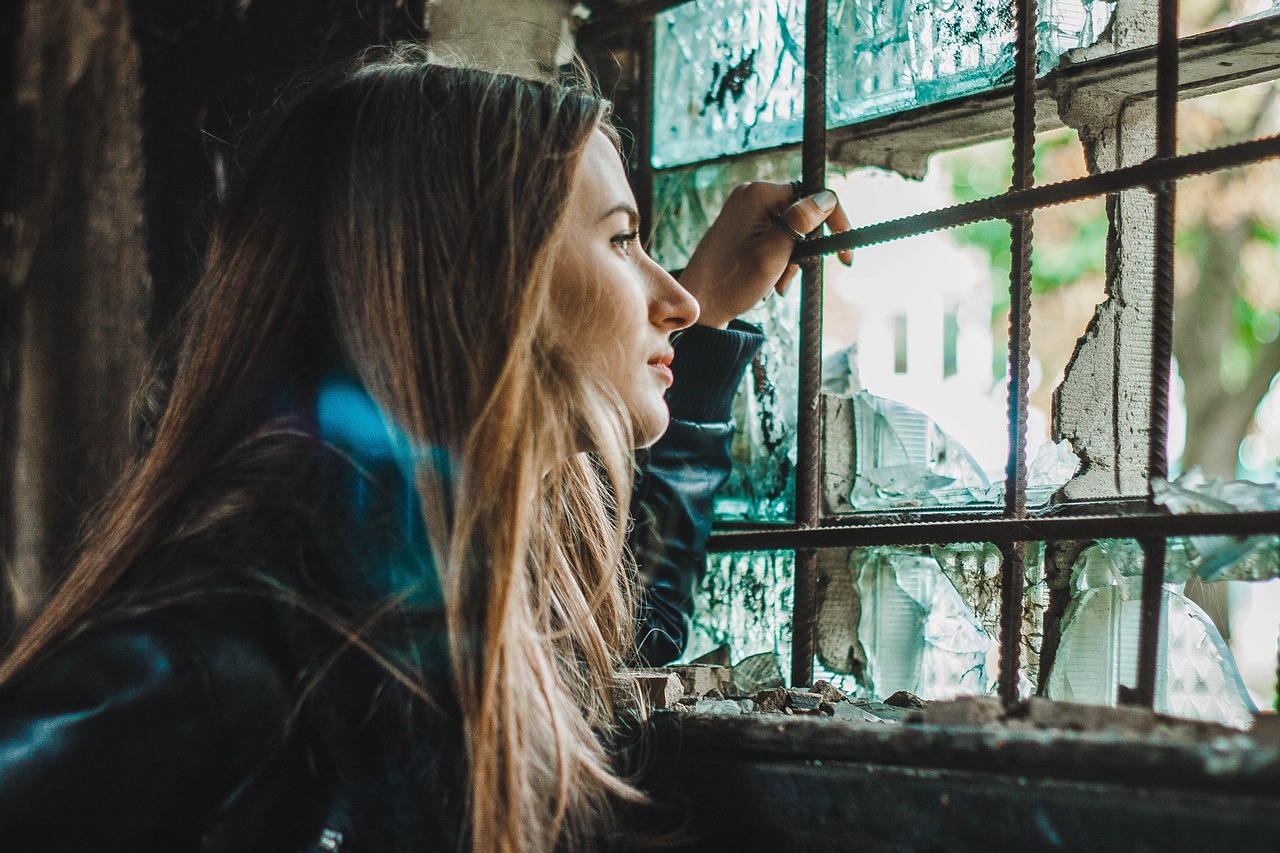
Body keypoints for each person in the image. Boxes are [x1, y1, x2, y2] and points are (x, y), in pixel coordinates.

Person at [0, 53, 848, 853]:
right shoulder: (206, 662)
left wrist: (704, 343)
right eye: (624, 240)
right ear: (476, 276)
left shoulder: (438, 595)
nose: (679, 300)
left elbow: (616, 635)